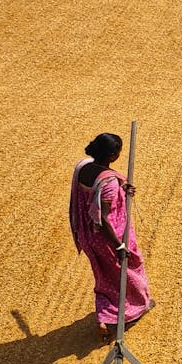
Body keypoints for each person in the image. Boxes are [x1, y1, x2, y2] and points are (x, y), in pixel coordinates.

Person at [69, 133, 153, 339]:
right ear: (114, 155)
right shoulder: (109, 184)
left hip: (89, 237)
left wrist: (122, 187)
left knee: (105, 277)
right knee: (129, 271)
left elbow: (98, 186)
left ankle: (106, 315)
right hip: (109, 238)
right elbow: (103, 218)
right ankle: (132, 310)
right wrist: (119, 246)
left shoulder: (84, 167)